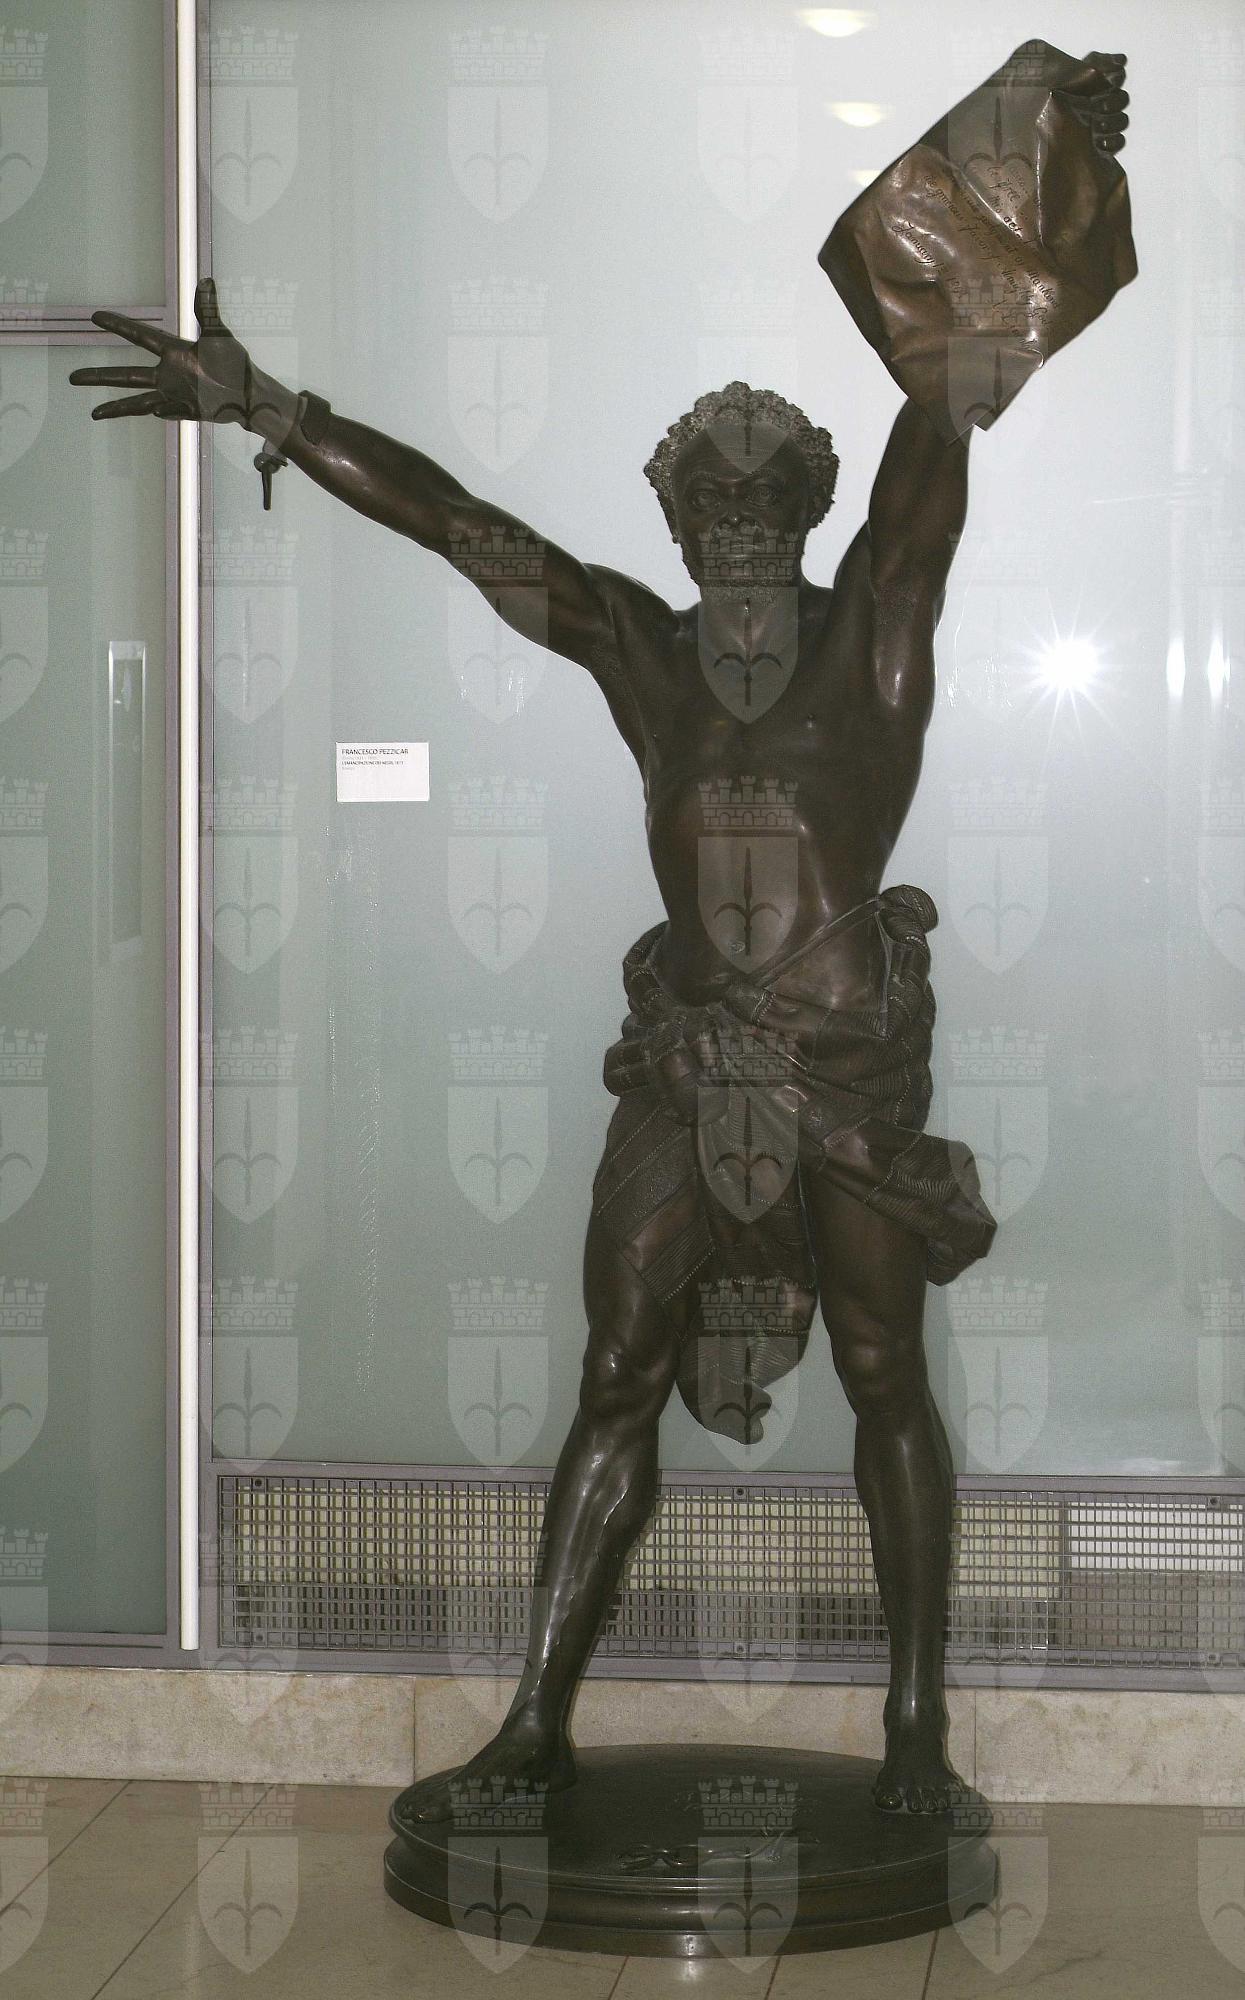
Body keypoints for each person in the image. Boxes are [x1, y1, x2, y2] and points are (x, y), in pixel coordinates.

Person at [68, 58, 1128, 1814]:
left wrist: (1029, 176)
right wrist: (272, 410)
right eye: (706, 511)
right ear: (673, 530)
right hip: (687, 1060)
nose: (733, 533)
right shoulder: (640, 651)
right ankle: (534, 1728)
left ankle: (914, 1734)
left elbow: (934, 442)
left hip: (844, 1066)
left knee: (883, 1377)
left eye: (761, 506)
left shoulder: (873, 639)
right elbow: (461, 529)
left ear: (805, 516)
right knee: (614, 1379)